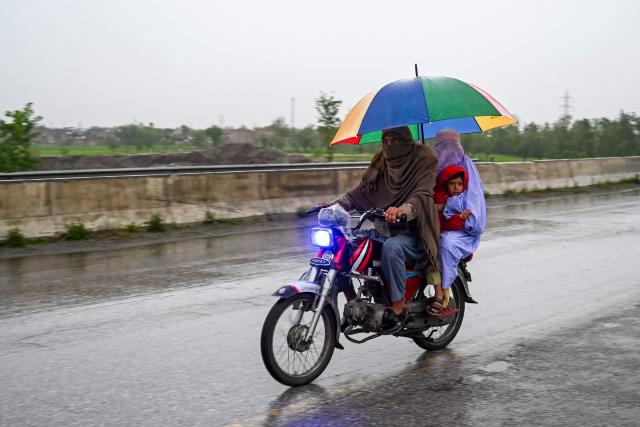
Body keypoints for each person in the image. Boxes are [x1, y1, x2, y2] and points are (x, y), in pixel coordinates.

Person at [328, 126, 441, 319]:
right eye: (385, 141)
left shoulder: (424, 159)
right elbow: (360, 193)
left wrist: (402, 210)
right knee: (346, 245)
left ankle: (398, 304)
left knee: (392, 248)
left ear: (406, 142)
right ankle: (352, 300)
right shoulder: (380, 162)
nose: (389, 146)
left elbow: (422, 195)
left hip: (415, 233)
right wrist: (333, 206)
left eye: (394, 142)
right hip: (384, 229)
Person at [431, 129, 486, 314]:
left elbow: (474, 210)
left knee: (445, 244)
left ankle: (444, 292)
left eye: (451, 146)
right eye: (442, 146)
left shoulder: (467, 168)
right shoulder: (432, 168)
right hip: (437, 224)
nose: (447, 151)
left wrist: (452, 210)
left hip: (463, 230)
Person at [435, 164, 472, 232]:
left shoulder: (464, 201)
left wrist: (460, 218)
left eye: (460, 184)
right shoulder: (439, 198)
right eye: (452, 184)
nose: (456, 188)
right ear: (446, 185)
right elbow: (443, 224)